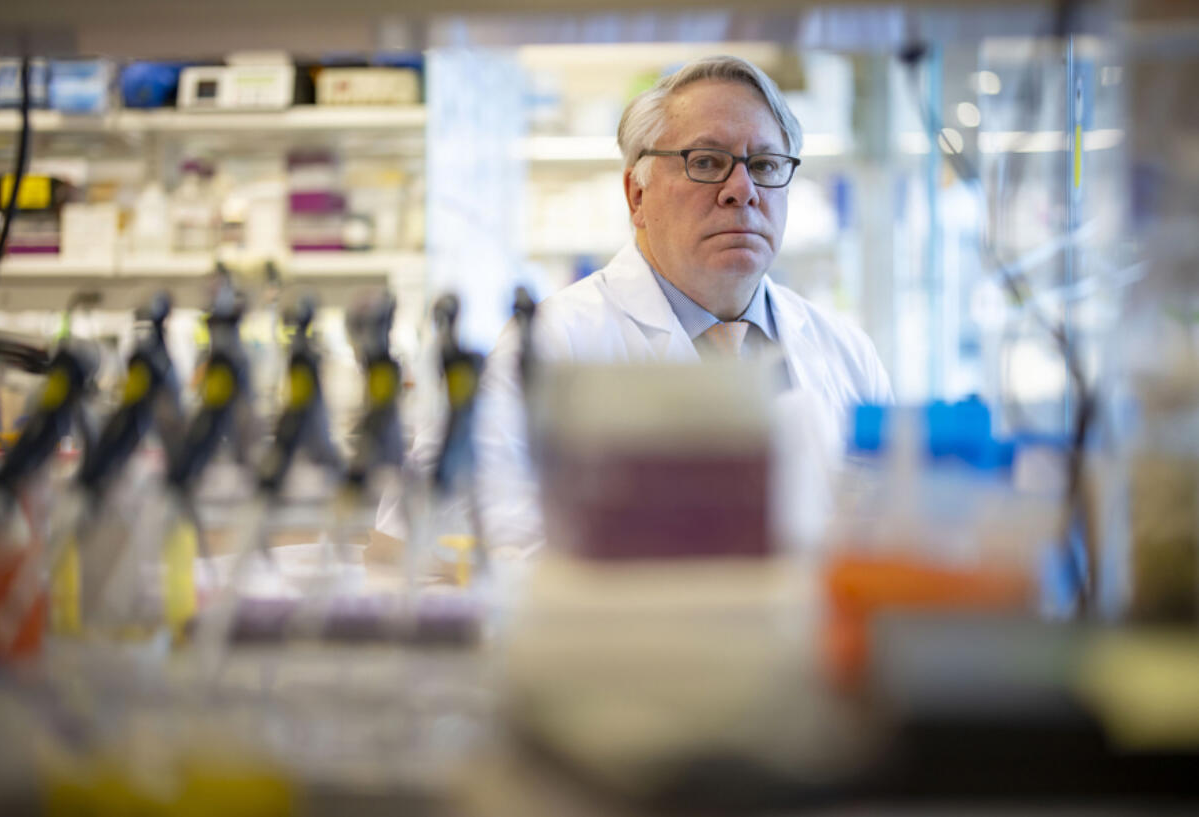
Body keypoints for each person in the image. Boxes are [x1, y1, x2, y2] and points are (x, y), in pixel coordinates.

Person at [376, 55, 892, 557]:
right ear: (636, 196)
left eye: (764, 165)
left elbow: (890, 530)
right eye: (707, 162)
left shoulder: (845, 351)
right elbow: (441, 521)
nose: (742, 190)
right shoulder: (552, 344)